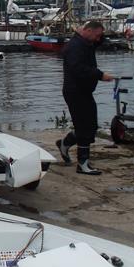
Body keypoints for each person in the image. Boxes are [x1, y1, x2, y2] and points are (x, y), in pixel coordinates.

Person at [56, 21, 114, 174]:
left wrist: (100, 35)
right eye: (96, 35)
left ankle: (64, 143)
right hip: (75, 91)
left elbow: (98, 42)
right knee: (84, 127)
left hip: (84, 91)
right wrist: (100, 75)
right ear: (87, 31)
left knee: (91, 125)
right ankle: (83, 163)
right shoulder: (75, 47)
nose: (97, 39)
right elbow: (78, 69)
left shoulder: (86, 43)